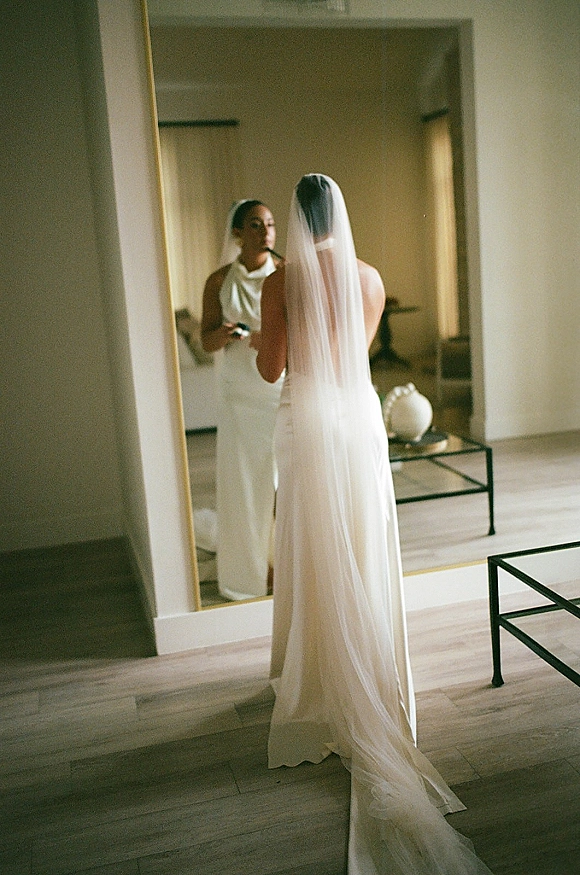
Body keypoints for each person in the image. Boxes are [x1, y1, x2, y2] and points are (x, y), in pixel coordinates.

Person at [256, 175, 492, 874]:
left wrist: (263, 346)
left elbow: (273, 368)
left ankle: (317, 680)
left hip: (306, 423)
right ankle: (371, 666)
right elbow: (351, 355)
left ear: (295, 220)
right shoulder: (369, 277)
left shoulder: (281, 283)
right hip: (358, 424)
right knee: (358, 541)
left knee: (308, 546)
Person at [201, 200, 284, 601]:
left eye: (269, 224)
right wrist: (227, 333)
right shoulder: (218, 281)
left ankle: (283, 563)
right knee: (245, 485)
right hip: (238, 395)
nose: (266, 232)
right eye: (255, 224)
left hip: (276, 389)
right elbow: (206, 340)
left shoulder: (285, 275)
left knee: (285, 481)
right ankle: (250, 571)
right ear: (237, 233)